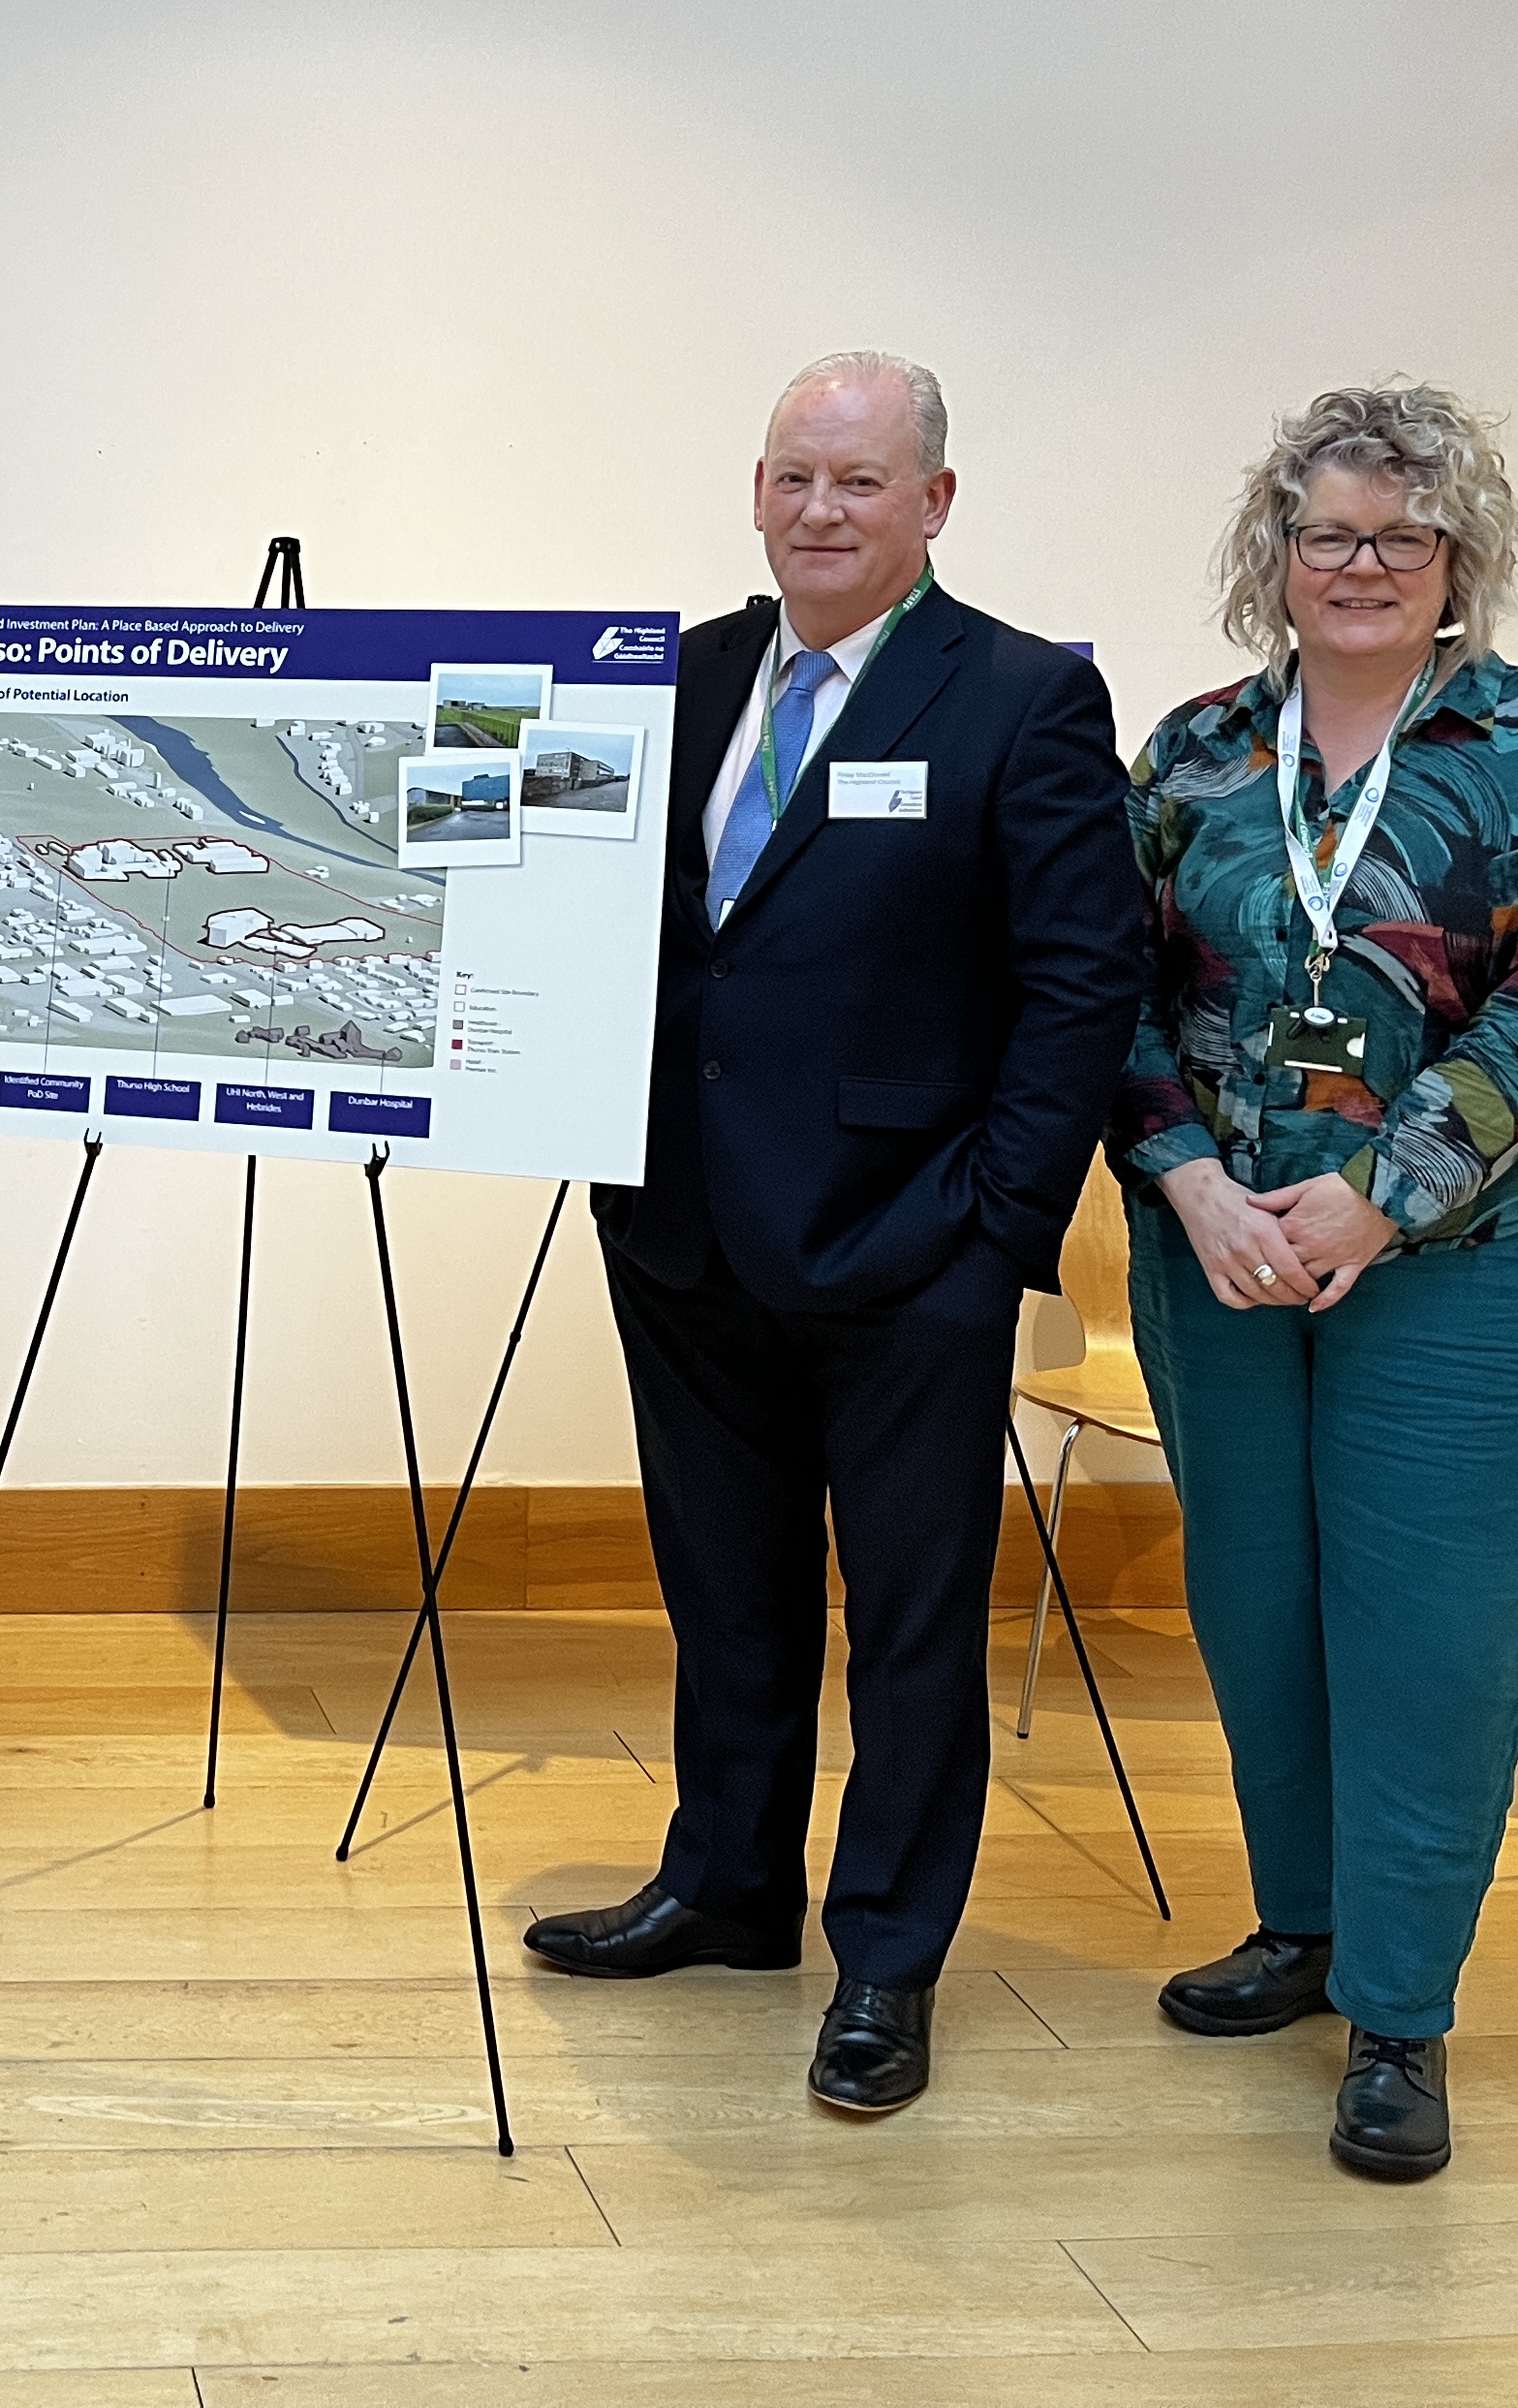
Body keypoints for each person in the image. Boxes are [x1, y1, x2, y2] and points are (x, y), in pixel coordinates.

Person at [521, 352, 1147, 2117]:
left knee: (912, 1626)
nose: (818, 510)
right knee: (725, 1597)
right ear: (755, 490)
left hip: (907, 1252)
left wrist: (997, 1227)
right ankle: (728, 1885)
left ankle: (887, 1958)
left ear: (934, 504)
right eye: (792, 475)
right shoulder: (685, 676)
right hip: (685, 1232)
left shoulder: (1023, 698)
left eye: (858, 483)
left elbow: (1083, 981)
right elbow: (584, 908)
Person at [1114, 387, 1518, 2183]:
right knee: (1260, 1614)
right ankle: (1306, 1931)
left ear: (1455, 566)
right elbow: (1107, 994)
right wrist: (1187, 1181)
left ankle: (1403, 2015)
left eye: (1400, 540)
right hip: (1222, 1261)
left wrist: (1380, 1196)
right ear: (1275, 554)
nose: (1360, 566)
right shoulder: (1191, 757)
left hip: (1465, 1264)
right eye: (1326, 533)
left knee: (1435, 1640)